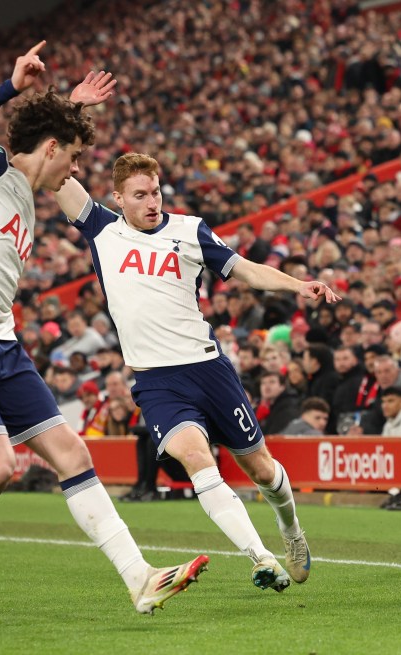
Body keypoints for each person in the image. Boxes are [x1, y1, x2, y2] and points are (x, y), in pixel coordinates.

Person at [0, 48, 206, 622]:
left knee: (71, 451)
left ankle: (139, 578)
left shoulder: (31, 187)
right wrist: (10, 87)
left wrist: (67, 108)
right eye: (71, 158)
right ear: (49, 151)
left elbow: (45, 142)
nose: (73, 169)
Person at [55, 151, 340, 593]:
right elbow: (55, 177)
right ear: (118, 198)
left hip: (208, 370)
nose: (152, 202)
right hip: (156, 381)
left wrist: (297, 284)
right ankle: (259, 556)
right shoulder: (102, 229)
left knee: (262, 470)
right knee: (197, 460)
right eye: (140, 195)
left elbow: (243, 269)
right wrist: (70, 119)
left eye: (156, 192)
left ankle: (291, 533)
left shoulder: (189, 230)